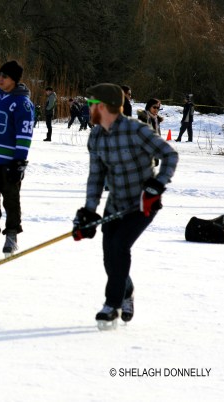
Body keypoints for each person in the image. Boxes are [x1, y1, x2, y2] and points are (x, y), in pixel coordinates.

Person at [72, 83, 178, 329]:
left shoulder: (135, 130)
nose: (87, 109)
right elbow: (96, 177)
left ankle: (112, 305)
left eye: (91, 105)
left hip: (142, 204)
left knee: (120, 247)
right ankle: (126, 290)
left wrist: (156, 186)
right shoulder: (96, 136)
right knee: (110, 257)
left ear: (104, 106)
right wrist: (88, 211)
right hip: (115, 204)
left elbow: (170, 155)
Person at [0, 60, 34, 258]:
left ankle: (11, 236)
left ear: (14, 79)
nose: (0, 79)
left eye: (5, 76)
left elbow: (25, 134)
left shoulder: (22, 103)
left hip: (10, 161)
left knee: (11, 199)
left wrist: (20, 161)